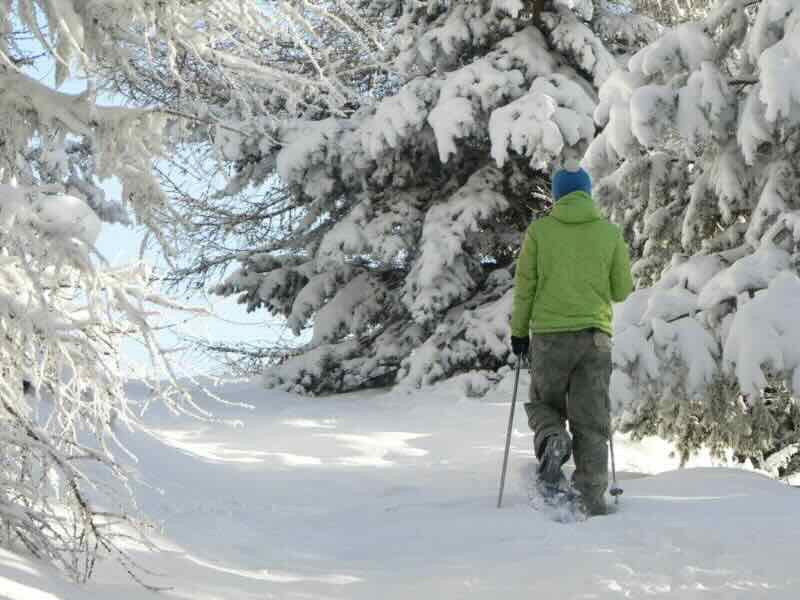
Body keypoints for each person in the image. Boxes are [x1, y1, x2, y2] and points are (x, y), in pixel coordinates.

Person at [509, 160, 633, 516]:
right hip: (595, 340)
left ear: (557, 195)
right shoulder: (609, 233)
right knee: (591, 419)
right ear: (587, 193)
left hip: (549, 338)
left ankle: (552, 438)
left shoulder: (540, 232)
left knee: (543, 404)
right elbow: (622, 290)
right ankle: (591, 497)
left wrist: (519, 333)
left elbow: (525, 287)